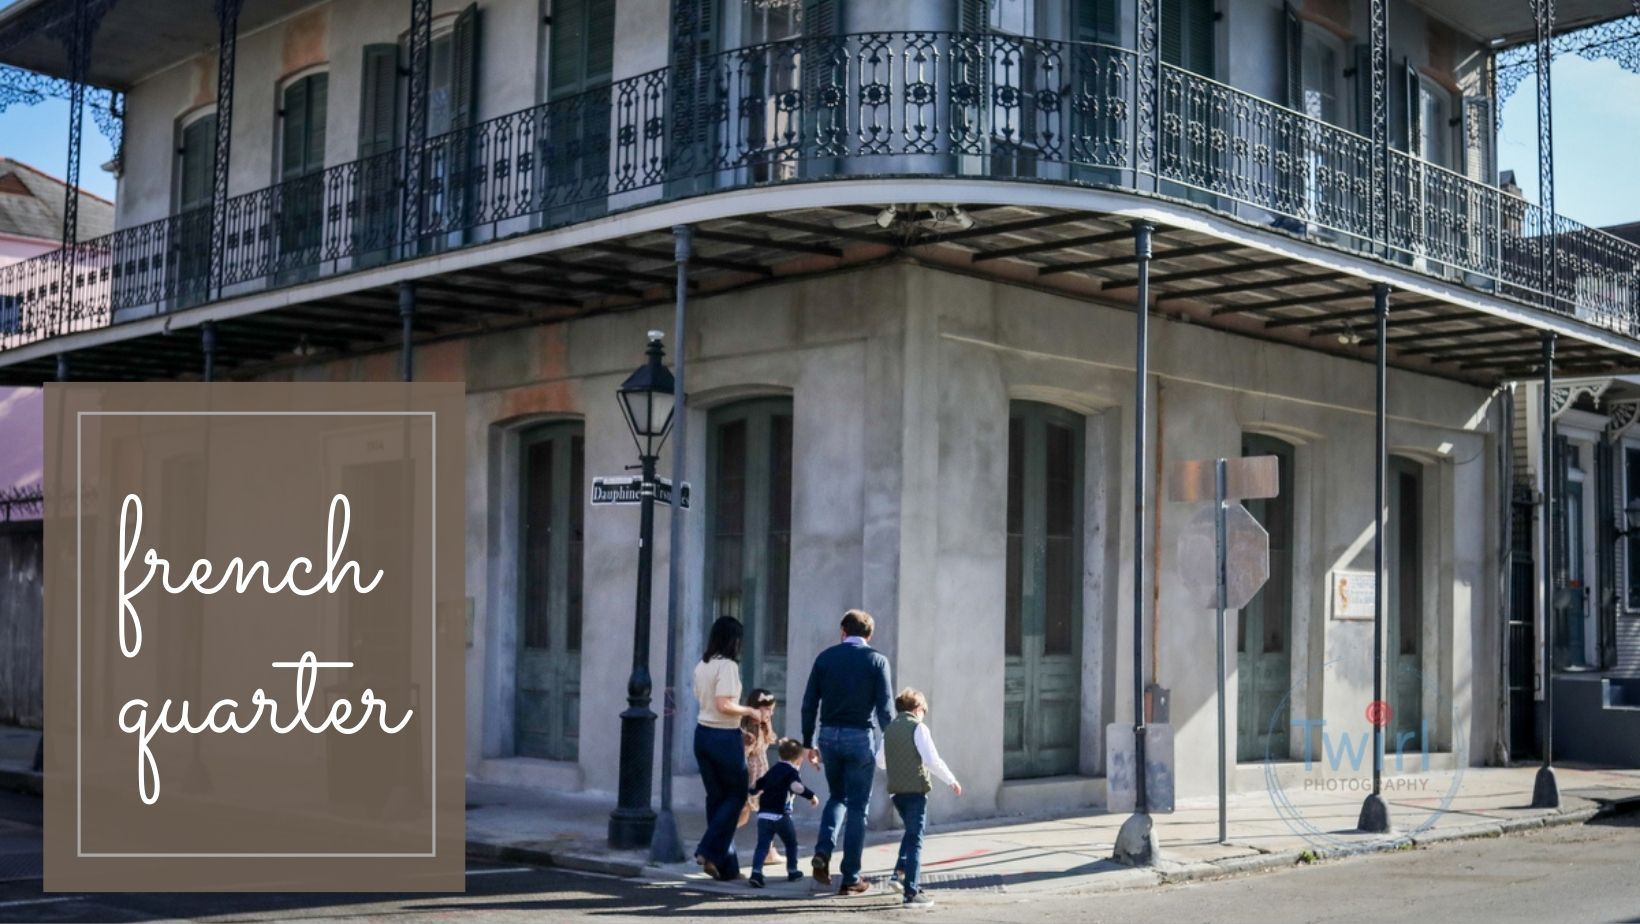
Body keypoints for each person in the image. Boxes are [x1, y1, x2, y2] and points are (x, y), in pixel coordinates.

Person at [800, 608, 893, 896]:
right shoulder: (877, 661)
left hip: (828, 735)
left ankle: (823, 852)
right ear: (870, 634)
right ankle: (851, 876)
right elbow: (885, 708)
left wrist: (808, 743)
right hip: (859, 737)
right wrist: (891, 743)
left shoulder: (825, 658)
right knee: (858, 807)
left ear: (843, 631)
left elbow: (809, 704)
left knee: (836, 797)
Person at [693, 616, 767, 881]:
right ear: (733, 641)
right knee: (736, 797)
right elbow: (723, 704)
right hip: (723, 738)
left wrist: (739, 726)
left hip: (702, 735)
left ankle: (727, 868)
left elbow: (709, 705)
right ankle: (708, 851)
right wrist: (749, 711)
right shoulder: (727, 667)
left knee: (717, 799)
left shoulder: (703, 665)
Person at [878, 687, 962, 908]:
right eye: (924, 710)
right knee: (916, 839)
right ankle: (911, 892)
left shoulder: (889, 730)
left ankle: (899, 873)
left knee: (911, 831)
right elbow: (931, 760)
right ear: (917, 709)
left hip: (896, 791)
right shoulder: (919, 728)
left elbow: (880, 762)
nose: (924, 714)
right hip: (915, 790)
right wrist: (951, 780)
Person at [746, 738, 819, 888]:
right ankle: (792, 871)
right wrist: (811, 796)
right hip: (780, 816)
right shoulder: (791, 772)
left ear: (780, 755)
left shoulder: (773, 770)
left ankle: (756, 873)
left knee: (762, 846)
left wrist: (751, 791)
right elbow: (796, 787)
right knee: (791, 843)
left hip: (764, 815)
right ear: (798, 759)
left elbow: (758, 785)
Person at [739, 689, 782, 864]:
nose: (771, 714)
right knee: (742, 815)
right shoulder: (751, 729)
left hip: (761, 777)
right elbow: (743, 754)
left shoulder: (762, 726)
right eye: (767, 709)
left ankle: (769, 851)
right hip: (752, 779)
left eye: (772, 710)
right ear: (756, 708)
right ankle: (715, 844)